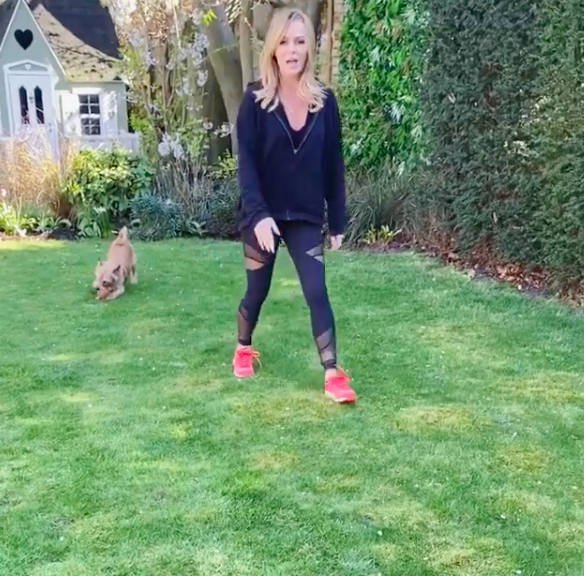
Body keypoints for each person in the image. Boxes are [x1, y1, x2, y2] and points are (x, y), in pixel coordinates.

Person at [231, 7, 356, 404]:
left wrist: (337, 220)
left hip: (302, 214)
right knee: (257, 291)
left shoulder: (325, 102)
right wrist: (259, 215)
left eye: (300, 41)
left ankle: (333, 373)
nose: (292, 49)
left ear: (309, 48)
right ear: (273, 48)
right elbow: (247, 165)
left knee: (316, 291)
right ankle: (243, 345)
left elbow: (333, 163)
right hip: (262, 213)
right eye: (284, 41)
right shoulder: (254, 101)